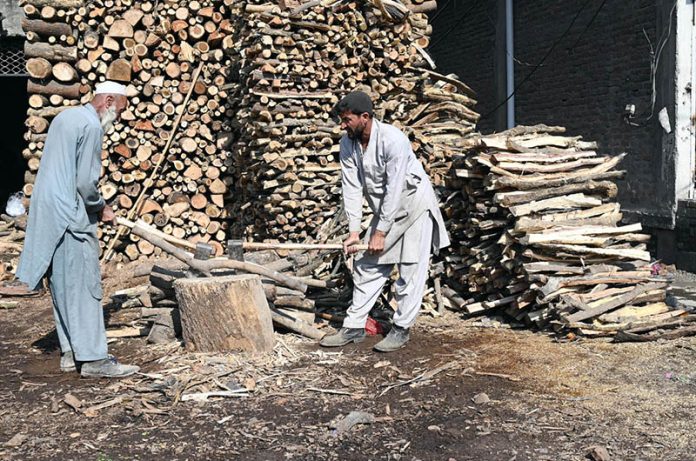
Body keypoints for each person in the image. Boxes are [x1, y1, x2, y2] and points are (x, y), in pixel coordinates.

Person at [15, 81, 139, 378]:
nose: (117, 119)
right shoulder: (91, 126)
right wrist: (101, 206)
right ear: (108, 100)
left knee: (62, 285)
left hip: (48, 214)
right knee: (85, 287)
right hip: (70, 216)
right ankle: (94, 359)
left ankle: (71, 353)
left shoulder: (64, 117)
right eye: (119, 110)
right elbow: (85, 183)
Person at [320, 91, 450, 352]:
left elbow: (394, 188)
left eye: (347, 120)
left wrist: (380, 232)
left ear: (365, 117)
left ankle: (401, 329)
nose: (343, 126)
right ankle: (354, 326)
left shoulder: (393, 140)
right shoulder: (348, 144)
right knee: (368, 265)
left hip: (413, 206)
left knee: (410, 269)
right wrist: (355, 231)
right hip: (387, 211)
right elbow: (352, 187)